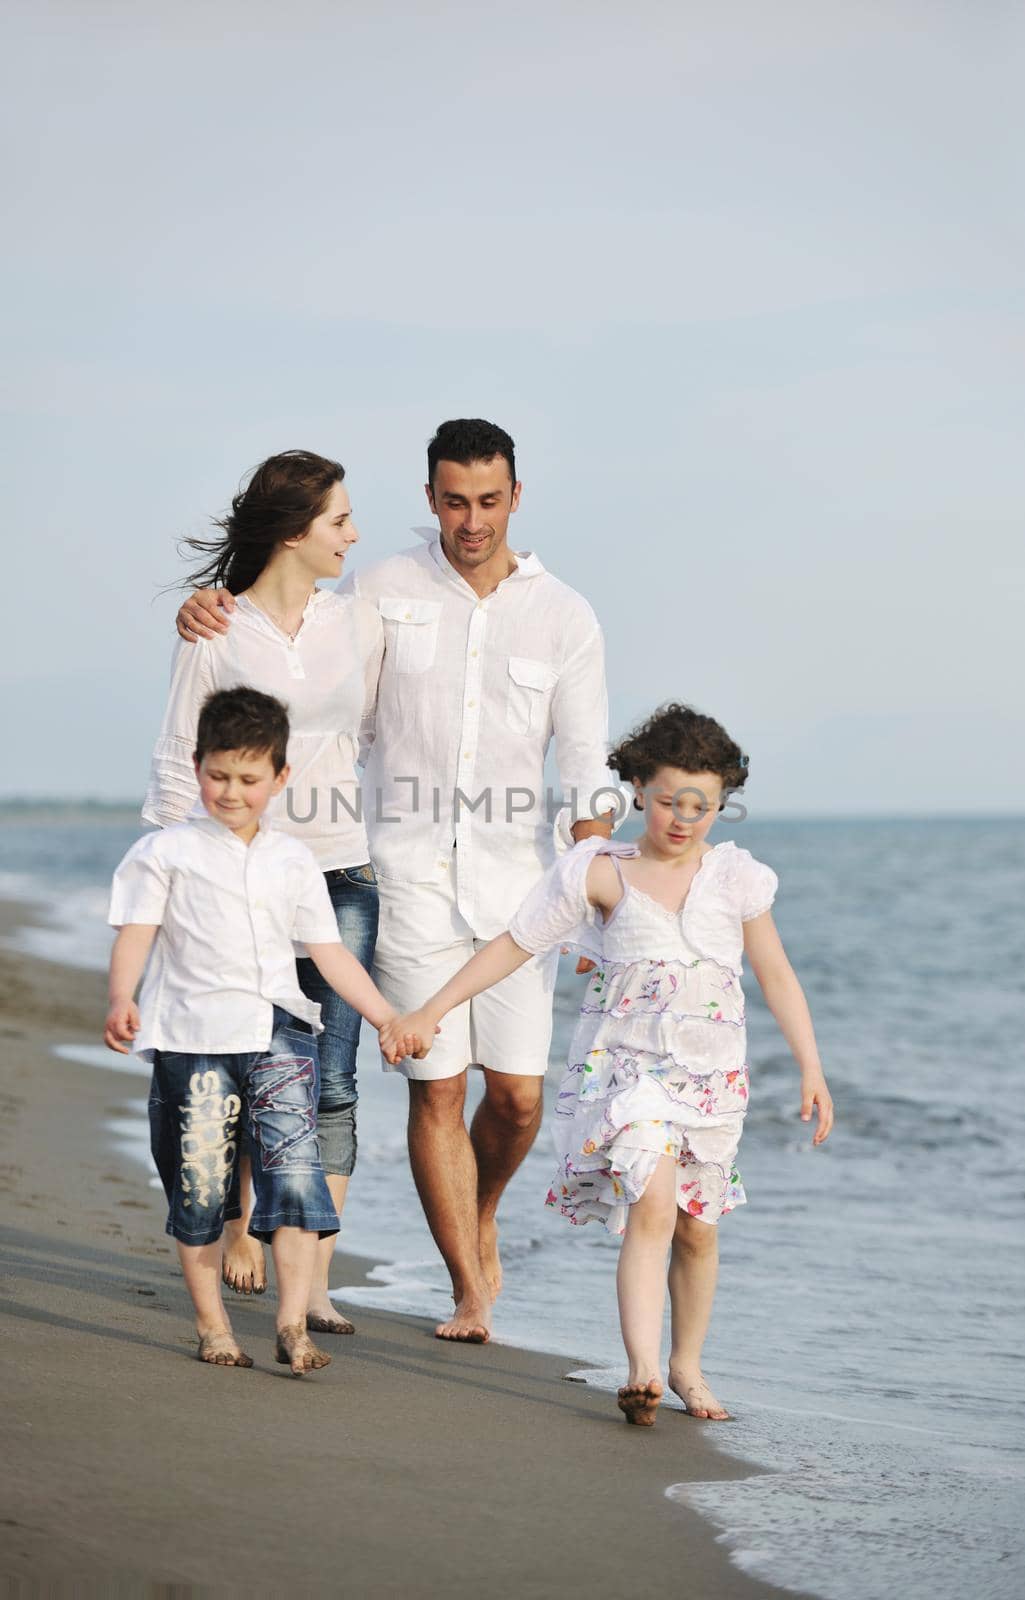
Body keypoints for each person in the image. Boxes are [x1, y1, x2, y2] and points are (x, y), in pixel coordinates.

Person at [175, 419, 615, 1344]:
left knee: (521, 1097)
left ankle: (478, 1210)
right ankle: (468, 1286)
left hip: (519, 893)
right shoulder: (378, 592)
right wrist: (212, 613)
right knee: (435, 1089)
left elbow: (584, 767)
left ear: (515, 498)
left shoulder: (564, 615)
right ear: (430, 498)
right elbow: (299, 655)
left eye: (488, 501)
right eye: (453, 501)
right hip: (402, 878)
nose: (470, 520)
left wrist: (597, 894)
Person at [381, 703, 834, 1422]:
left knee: (698, 1224)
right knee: (652, 1201)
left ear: (721, 804)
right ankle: (642, 1369)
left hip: (712, 1080)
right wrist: (431, 1011)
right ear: (636, 793)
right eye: (666, 802)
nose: (682, 819)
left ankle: (686, 1365)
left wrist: (810, 1067)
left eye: (702, 805)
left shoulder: (736, 878)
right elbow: (513, 944)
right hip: (626, 1074)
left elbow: (775, 973)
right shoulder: (597, 872)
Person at [106, 687, 416, 1374]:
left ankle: (291, 1325)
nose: (232, 791)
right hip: (192, 1039)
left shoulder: (292, 860)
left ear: (280, 778)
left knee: (296, 1177)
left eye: (249, 779)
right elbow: (137, 931)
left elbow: (328, 952)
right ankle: (213, 1327)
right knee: (201, 1186)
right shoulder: (166, 851)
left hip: (279, 1035)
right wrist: (121, 996)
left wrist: (385, 1015)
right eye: (218, 775)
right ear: (197, 769)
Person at [147, 450, 383, 1335]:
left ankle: (312, 1279)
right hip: (240, 881)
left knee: (331, 1082)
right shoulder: (216, 630)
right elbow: (179, 765)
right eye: (339, 521)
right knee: (242, 1060)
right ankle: (241, 1227)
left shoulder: (361, 623)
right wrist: (178, 891)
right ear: (294, 531)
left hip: (341, 871)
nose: (353, 535)